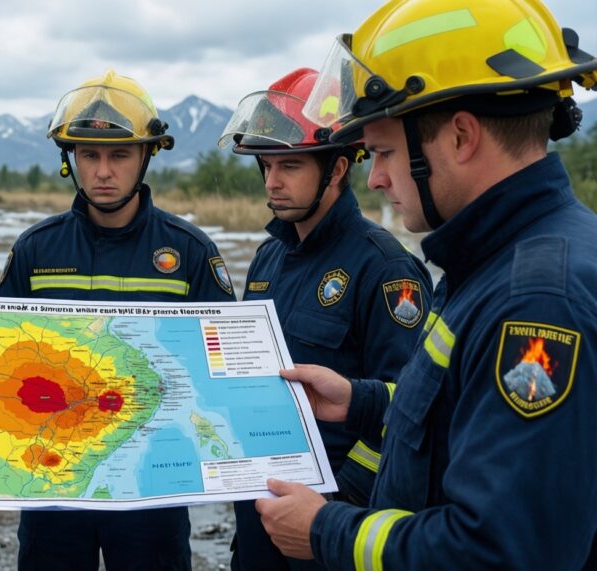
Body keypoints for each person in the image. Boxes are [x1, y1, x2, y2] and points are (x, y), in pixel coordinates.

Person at [253, 0, 597, 568]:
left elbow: (500, 551)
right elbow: (461, 414)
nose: (376, 176)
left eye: (384, 151)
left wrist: (326, 530)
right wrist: (359, 402)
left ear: (461, 137)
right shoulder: (492, 261)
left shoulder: (537, 304)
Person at [0, 69, 236, 571]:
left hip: (152, 490)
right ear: (72, 159)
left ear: (146, 156)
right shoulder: (35, 249)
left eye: (119, 155)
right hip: (54, 488)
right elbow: (1, 360)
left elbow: (225, 364)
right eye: (90, 155)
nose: (103, 171)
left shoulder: (190, 252)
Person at [217, 67, 433, 570]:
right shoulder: (271, 258)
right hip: (262, 508)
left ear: (337, 169)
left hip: (331, 526)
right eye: (266, 166)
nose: (272, 182)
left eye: (289, 166)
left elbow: (406, 417)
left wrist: (337, 509)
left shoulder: (386, 269)